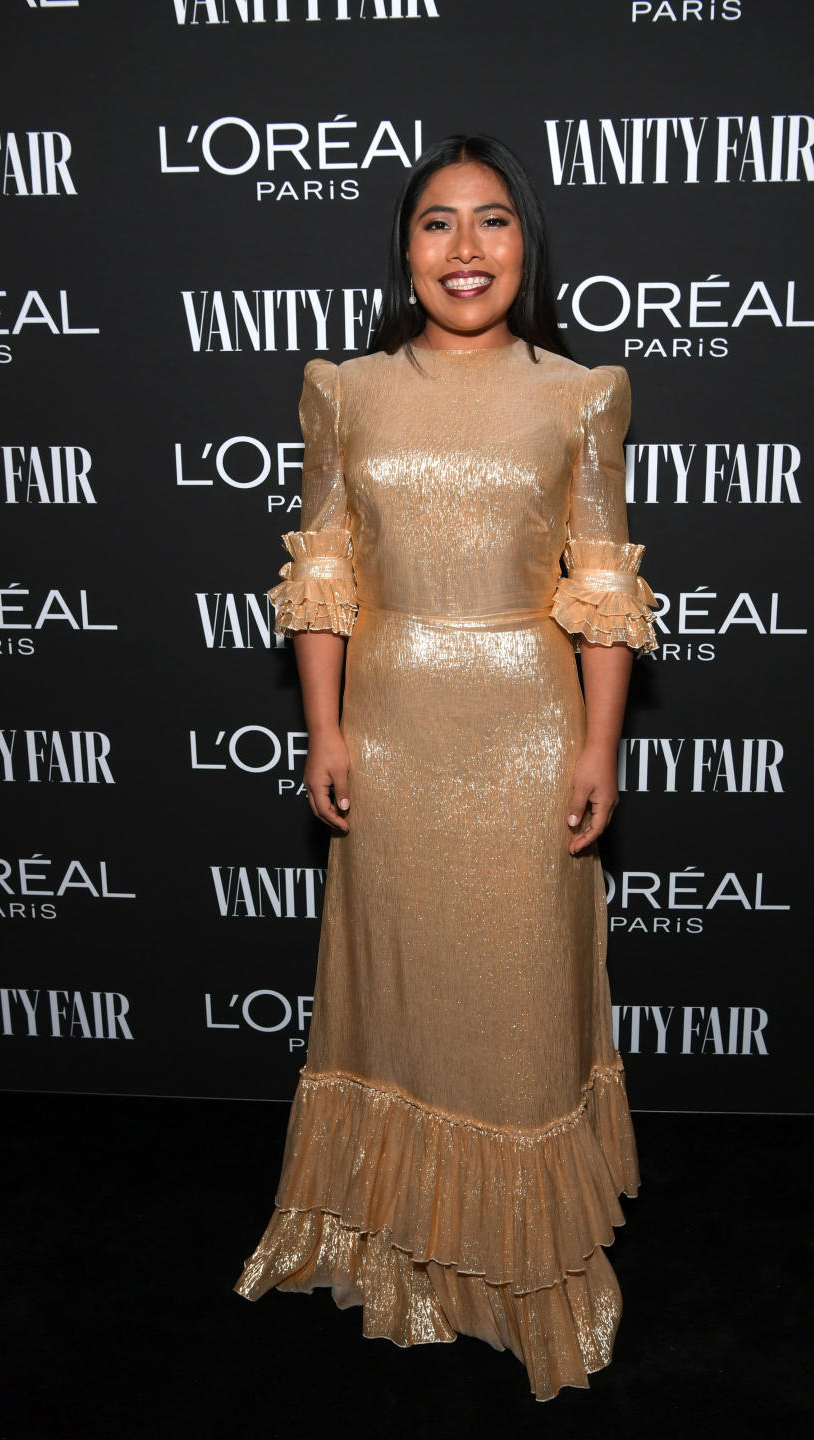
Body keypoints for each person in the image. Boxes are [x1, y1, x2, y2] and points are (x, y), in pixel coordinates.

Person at [234, 134, 659, 1401]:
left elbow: (601, 582)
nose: (465, 249)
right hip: (395, 731)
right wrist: (324, 729)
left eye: (492, 222)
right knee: (400, 998)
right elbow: (323, 574)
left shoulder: (580, 394)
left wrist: (595, 743)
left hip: (527, 735)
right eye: (436, 223)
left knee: (521, 1017)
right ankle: (398, 1255)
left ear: (527, 246)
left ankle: (521, 1281)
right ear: (404, 248)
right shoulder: (345, 390)